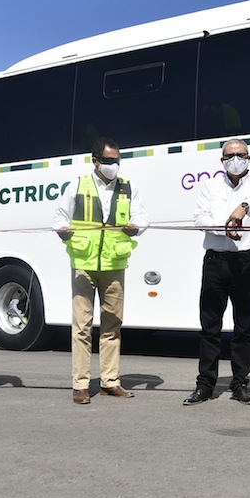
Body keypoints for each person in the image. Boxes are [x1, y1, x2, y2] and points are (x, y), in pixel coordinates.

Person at [52, 137, 148, 405]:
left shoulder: (128, 187)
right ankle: (81, 385)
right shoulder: (77, 185)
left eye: (117, 161)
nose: (113, 165)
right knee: (81, 327)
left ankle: (110, 381)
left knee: (112, 326)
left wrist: (136, 227)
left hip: (114, 264)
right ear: (95, 161)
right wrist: (63, 231)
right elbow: (59, 218)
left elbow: (142, 217)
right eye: (108, 161)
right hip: (83, 263)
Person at [183, 139, 250, 406]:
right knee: (209, 326)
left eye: (241, 155)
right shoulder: (210, 186)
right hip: (216, 261)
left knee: (244, 327)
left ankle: (240, 384)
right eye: (230, 156)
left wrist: (246, 207)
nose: (236, 160)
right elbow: (200, 218)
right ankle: (205, 385)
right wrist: (224, 228)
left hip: (246, 262)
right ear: (222, 160)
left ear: (249, 158)